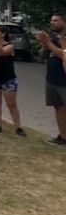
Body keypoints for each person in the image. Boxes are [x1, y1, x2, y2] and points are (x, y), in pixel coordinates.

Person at [37, 14, 66, 145]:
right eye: (51, 20)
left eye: (55, 20)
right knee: (58, 107)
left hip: (63, 80)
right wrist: (44, 44)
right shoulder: (53, 37)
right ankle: (63, 136)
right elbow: (42, 57)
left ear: (64, 22)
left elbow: (62, 54)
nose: (52, 23)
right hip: (52, 78)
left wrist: (48, 42)